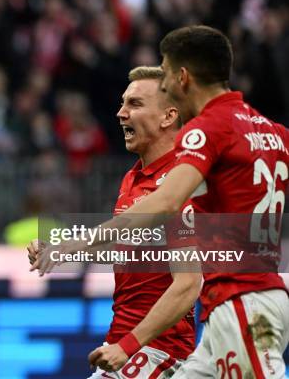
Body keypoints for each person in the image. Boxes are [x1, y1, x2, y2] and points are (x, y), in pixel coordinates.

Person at [32, 25, 289, 378]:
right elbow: (142, 245)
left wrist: (126, 345)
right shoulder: (270, 130)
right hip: (229, 309)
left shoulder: (204, 138)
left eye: (166, 75)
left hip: (236, 302)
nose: (166, 85)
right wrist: (61, 250)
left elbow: (168, 211)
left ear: (182, 77)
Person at [29, 66, 200, 377]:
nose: (121, 113)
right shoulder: (133, 177)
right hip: (128, 344)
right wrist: (63, 248)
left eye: (135, 104)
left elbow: (188, 283)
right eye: (123, 103)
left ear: (168, 116)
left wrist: (128, 346)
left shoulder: (181, 180)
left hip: (158, 352)